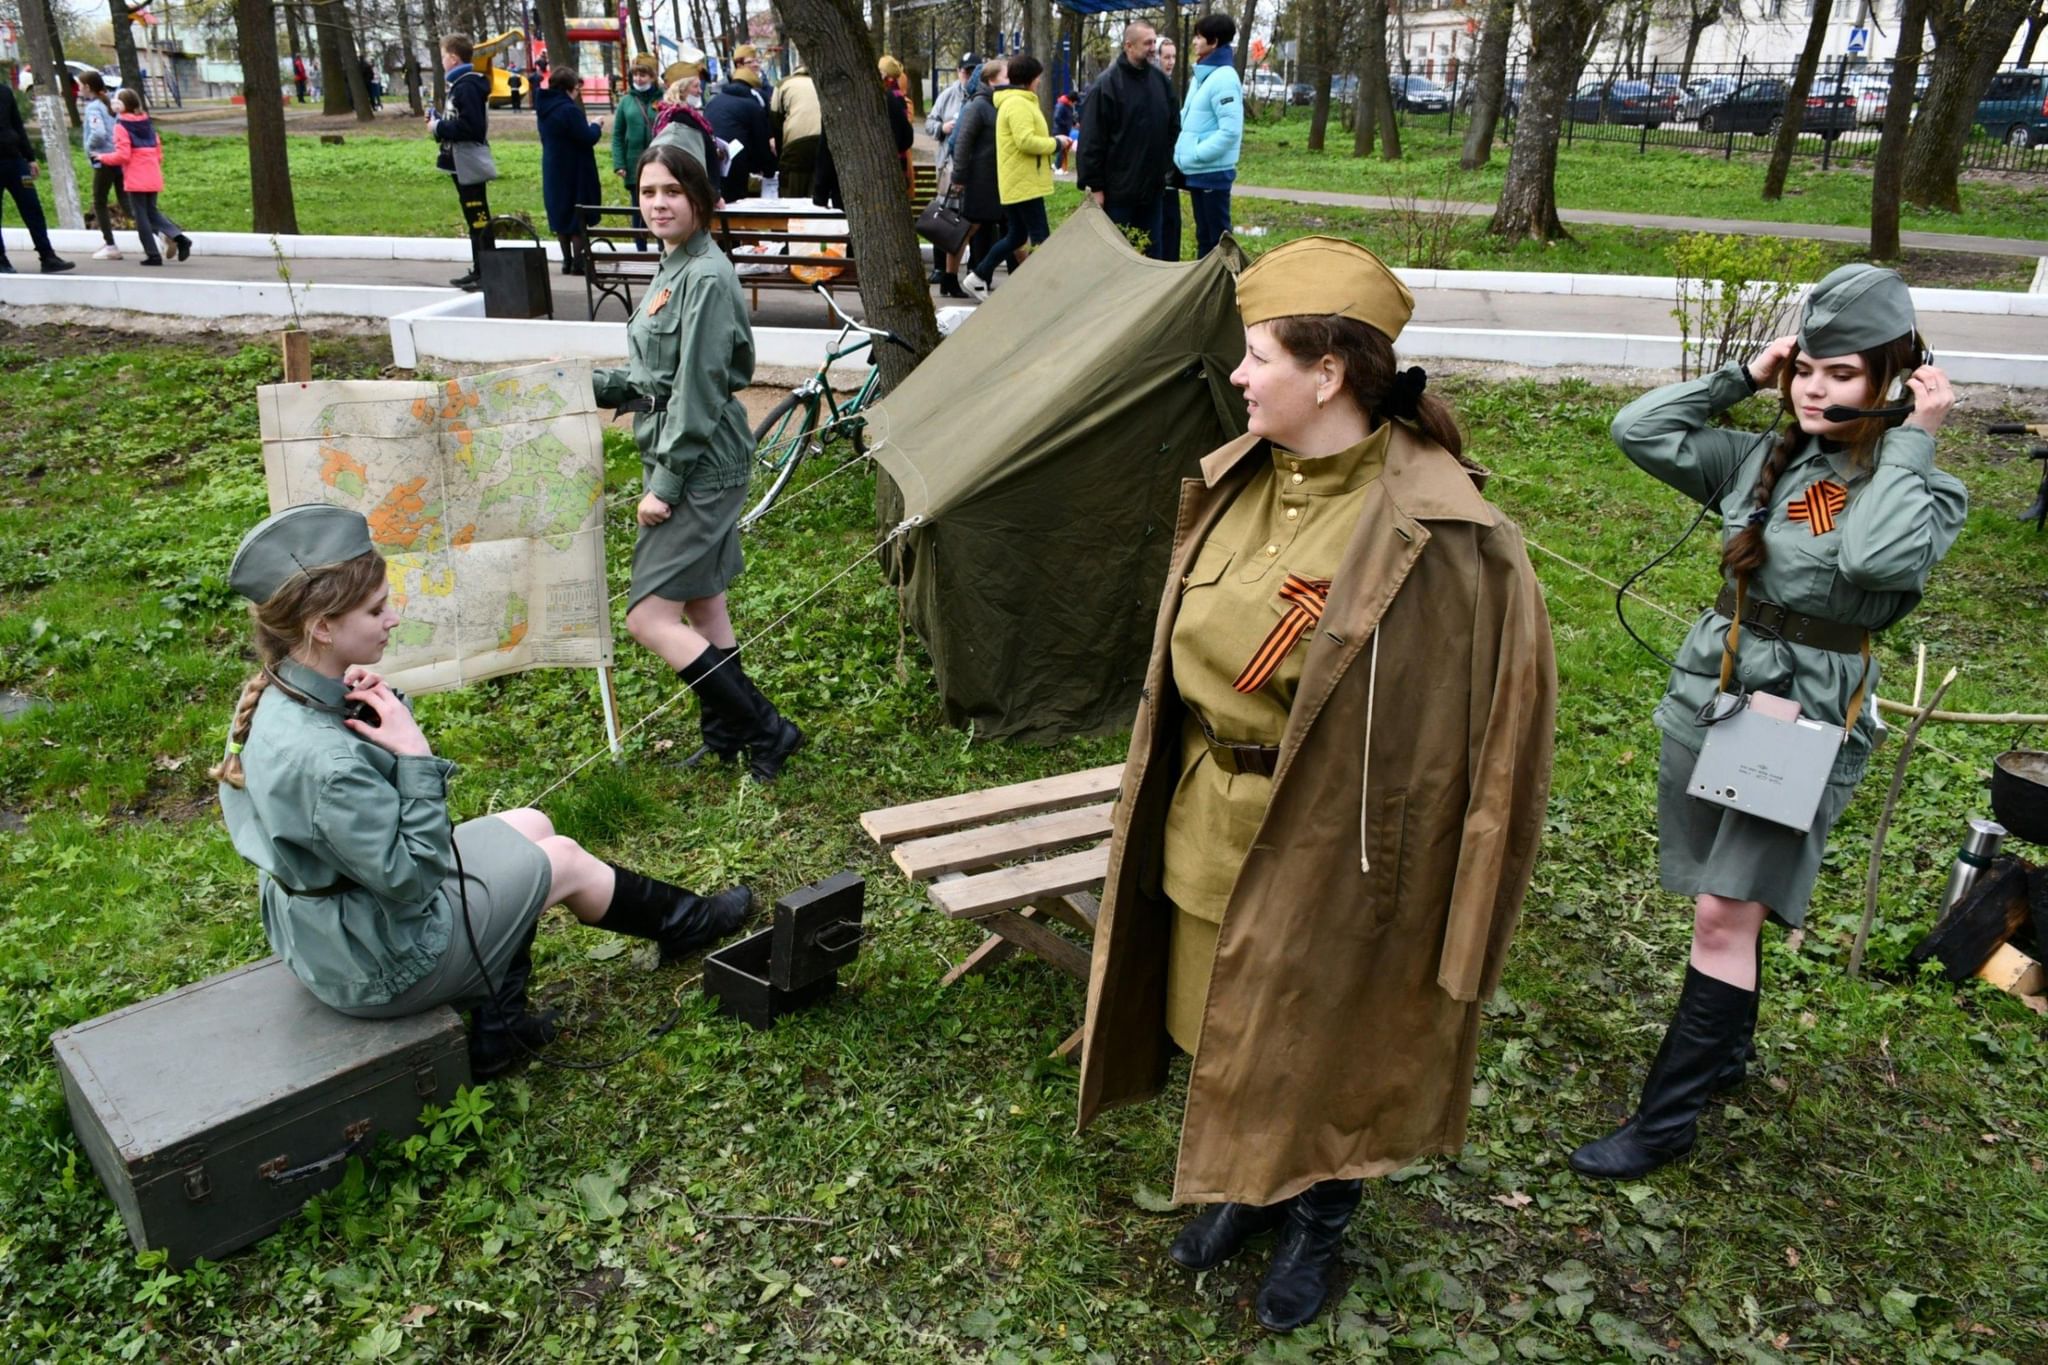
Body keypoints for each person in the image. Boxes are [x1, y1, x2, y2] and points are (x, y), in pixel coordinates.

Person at [1077, 236, 1556, 1334]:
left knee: (1322, 1041)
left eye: (1254, 357)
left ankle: (1319, 1216)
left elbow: (1504, 747)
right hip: (1206, 824)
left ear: (1327, 372)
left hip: (1343, 855)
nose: (1237, 378)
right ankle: (1251, 1186)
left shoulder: (1444, 536)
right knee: (1224, 1021)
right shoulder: (1238, 478)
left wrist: (1470, 916)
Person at [1570, 265, 1966, 1182]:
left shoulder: (1924, 491)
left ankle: (1667, 1120)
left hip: (1800, 717)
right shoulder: (1764, 458)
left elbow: (1871, 560)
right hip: (1714, 689)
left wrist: (1914, 441)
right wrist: (1745, 378)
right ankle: (1727, 1056)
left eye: (1844, 373)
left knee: (1723, 911)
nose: (1818, 389)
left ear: (1894, 380)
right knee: (1722, 903)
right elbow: (1638, 429)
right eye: (1809, 370)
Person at [212, 504, 752, 1078]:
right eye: (375, 609)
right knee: (560, 860)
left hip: (329, 928)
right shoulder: (326, 761)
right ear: (321, 626)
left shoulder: (279, 697)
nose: (393, 618)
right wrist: (415, 757)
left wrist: (384, 709)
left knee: (532, 825)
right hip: (380, 962)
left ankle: (505, 1027)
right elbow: (412, 881)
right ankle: (690, 926)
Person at [593, 144, 803, 780]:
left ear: (699, 200)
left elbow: (700, 388)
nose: (658, 203)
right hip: (688, 446)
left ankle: (770, 730)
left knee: (648, 616)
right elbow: (658, 374)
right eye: (648, 191)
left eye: (672, 192)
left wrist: (666, 484)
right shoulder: (674, 265)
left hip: (699, 460)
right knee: (704, 606)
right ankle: (729, 737)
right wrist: (585, 387)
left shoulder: (705, 276)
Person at [961, 53, 1068, 302]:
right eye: (1039, 78)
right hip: (1024, 183)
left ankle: (979, 275)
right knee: (1041, 237)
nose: (1040, 82)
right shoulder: (1018, 103)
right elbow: (1025, 141)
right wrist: (1056, 143)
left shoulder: (1015, 101)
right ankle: (1046, 289)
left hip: (1018, 181)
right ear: (1030, 79)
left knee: (1017, 236)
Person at [1077, 21, 1178, 261]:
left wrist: (1162, 166)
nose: (1153, 48)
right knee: (1116, 255)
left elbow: (1173, 125)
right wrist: (1096, 187)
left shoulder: (1160, 82)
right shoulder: (1107, 85)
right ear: (1128, 46)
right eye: (1147, 43)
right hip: (1117, 192)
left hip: (1152, 190)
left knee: (1152, 252)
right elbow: (1092, 140)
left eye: (1154, 42)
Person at [429, 33, 496, 292]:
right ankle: (481, 268)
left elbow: (471, 127)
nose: (442, 61)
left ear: (454, 58)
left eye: (443, 56)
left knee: (478, 218)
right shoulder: (461, 84)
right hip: (460, 162)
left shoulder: (466, 86)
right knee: (474, 217)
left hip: (468, 162)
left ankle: (486, 271)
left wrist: (438, 127)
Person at [1176, 13, 1242, 259]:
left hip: (1212, 172)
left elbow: (1230, 131)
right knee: (1205, 237)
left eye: (1199, 37)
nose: (1194, 41)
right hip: (1199, 173)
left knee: (1218, 240)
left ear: (1213, 42)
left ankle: (1227, 290)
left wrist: (1196, 153)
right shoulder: (1203, 76)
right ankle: (1209, 292)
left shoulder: (1223, 78)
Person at [100, 89, 192, 267]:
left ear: (121, 105)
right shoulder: (146, 122)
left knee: (140, 216)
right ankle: (180, 238)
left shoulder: (121, 126)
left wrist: (102, 157)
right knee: (152, 211)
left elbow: (123, 155)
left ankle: (153, 254)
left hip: (135, 176)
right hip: (152, 173)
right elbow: (158, 152)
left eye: (116, 100)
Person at [0, 75, 75, 274]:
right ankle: (1, 260)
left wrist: (30, 157)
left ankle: (48, 256)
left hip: (15, 161)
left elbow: (17, 125)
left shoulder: (4, 92)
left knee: (32, 207)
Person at [945, 58, 1005, 297]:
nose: (1010, 81)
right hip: (977, 181)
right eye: (1005, 76)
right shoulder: (978, 106)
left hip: (991, 180)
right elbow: (960, 143)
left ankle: (968, 276)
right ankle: (951, 278)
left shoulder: (993, 104)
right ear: (990, 80)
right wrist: (959, 177)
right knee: (965, 230)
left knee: (971, 230)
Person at [536, 66, 602, 276]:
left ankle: (566, 261)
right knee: (577, 216)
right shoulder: (569, 110)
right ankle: (579, 262)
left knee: (560, 213)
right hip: (575, 169)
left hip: (553, 166)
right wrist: (596, 125)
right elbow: (587, 137)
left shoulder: (544, 108)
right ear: (569, 88)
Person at [80, 72, 144, 262]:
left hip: (103, 160)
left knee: (99, 201)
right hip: (118, 158)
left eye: (80, 85)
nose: (79, 89)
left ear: (88, 87)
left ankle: (110, 245)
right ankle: (162, 232)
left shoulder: (94, 108)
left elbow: (98, 133)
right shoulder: (111, 105)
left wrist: (89, 148)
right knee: (126, 203)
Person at [706, 52, 776, 201]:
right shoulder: (752, 106)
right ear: (752, 88)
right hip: (737, 164)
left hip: (712, 161)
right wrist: (769, 171)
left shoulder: (713, 102)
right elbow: (761, 143)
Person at [613, 54, 661, 247]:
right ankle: (640, 251)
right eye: (636, 75)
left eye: (643, 74)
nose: (639, 79)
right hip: (634, 165)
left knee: (660, 207)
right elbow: (617, 135)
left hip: (660, 162)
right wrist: (619, 163)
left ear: (652, 76)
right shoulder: (626, 102)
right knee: (638, 208)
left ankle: (662, 248)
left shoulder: (663, 99)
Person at [767, 62, 820, 198]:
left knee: (791, 192)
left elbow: (775, 120)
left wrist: (781, 154)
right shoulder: (823, 82)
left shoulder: (784, 84)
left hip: (796, 145)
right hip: (824, 142)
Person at [1154, 39, 1181, 261]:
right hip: (1158, 169)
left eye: (1173, 57)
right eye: (1166, 57)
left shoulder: (1168, 84)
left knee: (1171, 224)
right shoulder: (1154, 85)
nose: (1171, 62)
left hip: (1170, 166)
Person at [878, 54, 916, 196]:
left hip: (892, 164)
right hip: (899, 162)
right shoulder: (898, 96)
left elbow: (903, 136)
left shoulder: (891, 97)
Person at [1051, 86, 1079, 172]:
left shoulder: (1068, 105)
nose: (1074, 104)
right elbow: (1057, 118)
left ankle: (1057, 165)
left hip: (1065, 130)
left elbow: (1069, 117)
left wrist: (1074, 123)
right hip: (1060, 130)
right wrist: (1067, 124)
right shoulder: (1062, 105)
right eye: (1074, 102)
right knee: (1061, 149)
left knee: (1062, 149)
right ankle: (1057, 166)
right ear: (1072, 100)